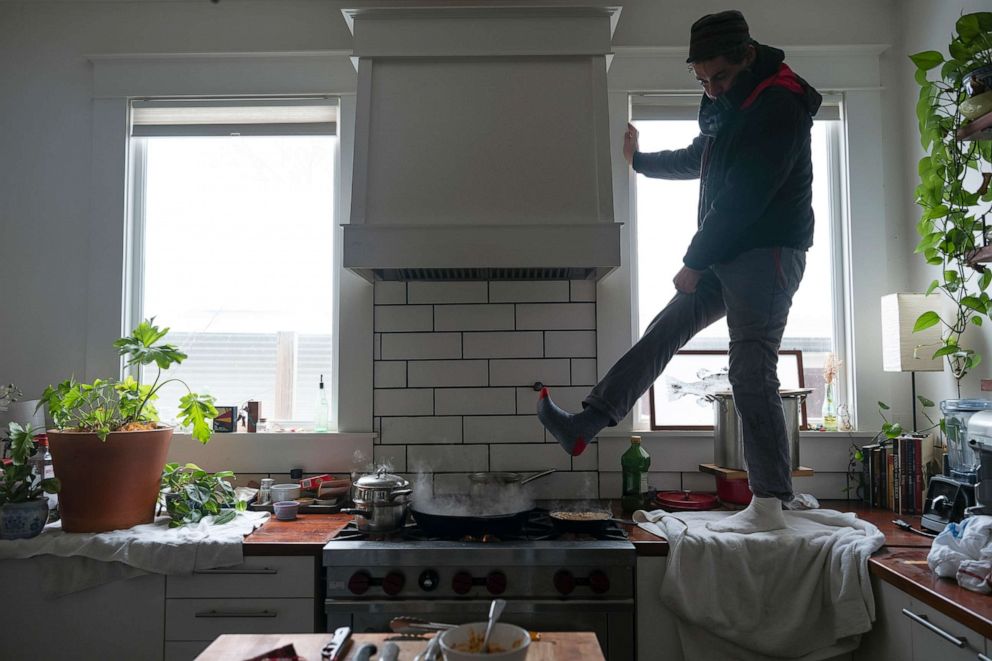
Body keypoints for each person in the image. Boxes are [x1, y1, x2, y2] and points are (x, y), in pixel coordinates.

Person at [537, 10, 822, 534]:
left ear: (747, 56)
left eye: (720, 78)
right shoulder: (731, 103)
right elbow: (704, 157)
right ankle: (586, 424)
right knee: (664, 330)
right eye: (702, 80)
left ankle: (770, 501)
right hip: (728, 249)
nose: (711, 90)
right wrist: (640, 161)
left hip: (766, 253)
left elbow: (744, 196)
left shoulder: (778, 104)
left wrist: (694, 259)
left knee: (750, 368)